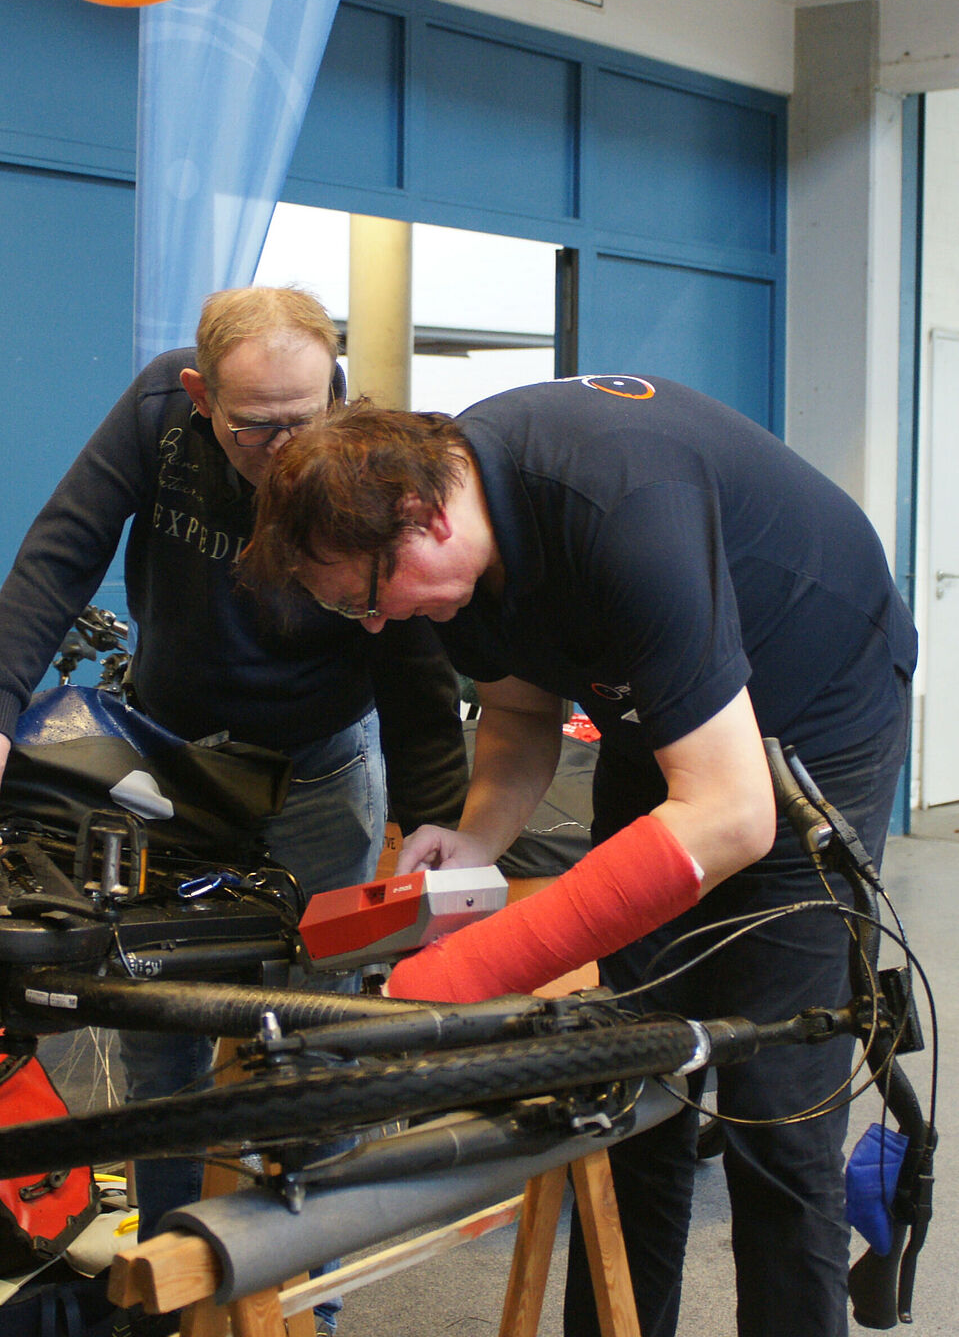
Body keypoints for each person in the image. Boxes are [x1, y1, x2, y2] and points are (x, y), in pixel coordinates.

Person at [242, 375, 917, 1337]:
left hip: (816, 710)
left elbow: (729, 818)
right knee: (624, 1082)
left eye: (368, 601)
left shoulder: (618, 505)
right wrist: (476, 841)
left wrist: (463, 972)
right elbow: (522, 715)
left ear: (421, 515)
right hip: (664, 720)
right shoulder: (462, 559)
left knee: (775, 1103)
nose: (380, 626)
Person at [0, 287, 468, 1333]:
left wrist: (439, 807)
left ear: (334, 387)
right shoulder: (156, 418)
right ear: (200, 394)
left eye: (304, 416)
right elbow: (57, 556)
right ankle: (164, 1297)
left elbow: (415, 642)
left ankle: (311, 1299)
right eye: (253, 425)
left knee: (322, 1031)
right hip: (172, 765)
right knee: (166, 1027)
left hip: (322, 769)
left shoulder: (356, 450)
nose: (279, 447)